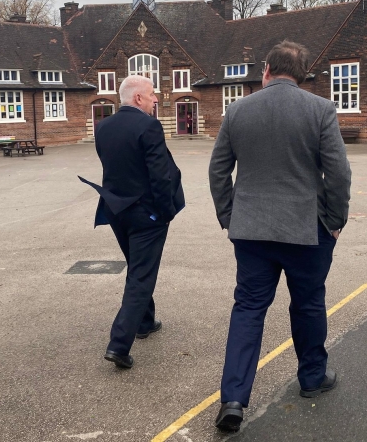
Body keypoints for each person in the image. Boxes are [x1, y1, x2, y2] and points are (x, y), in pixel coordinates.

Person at [208, 40, 351, 432]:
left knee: (249, 308)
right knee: (307, 304)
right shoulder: (320, 109)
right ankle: (312, 378)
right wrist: (335, 219)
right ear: (301, 75)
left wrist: (229, 217)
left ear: (266, 70)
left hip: (251, 231)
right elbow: (338, 173)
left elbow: (218, 171)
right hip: (308, 229)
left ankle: (234, 398)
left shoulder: (236, 111)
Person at [79, 75, 185, 369]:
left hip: (116, 211)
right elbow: (160, 175)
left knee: (137, 266)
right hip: (146, 215)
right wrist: (165, 213)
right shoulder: (149, 126)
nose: (156, 100)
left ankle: (144, 322)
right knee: (141, 275)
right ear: (138, 98)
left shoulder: (104, 127)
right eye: (152, 95)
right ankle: (119, 344)